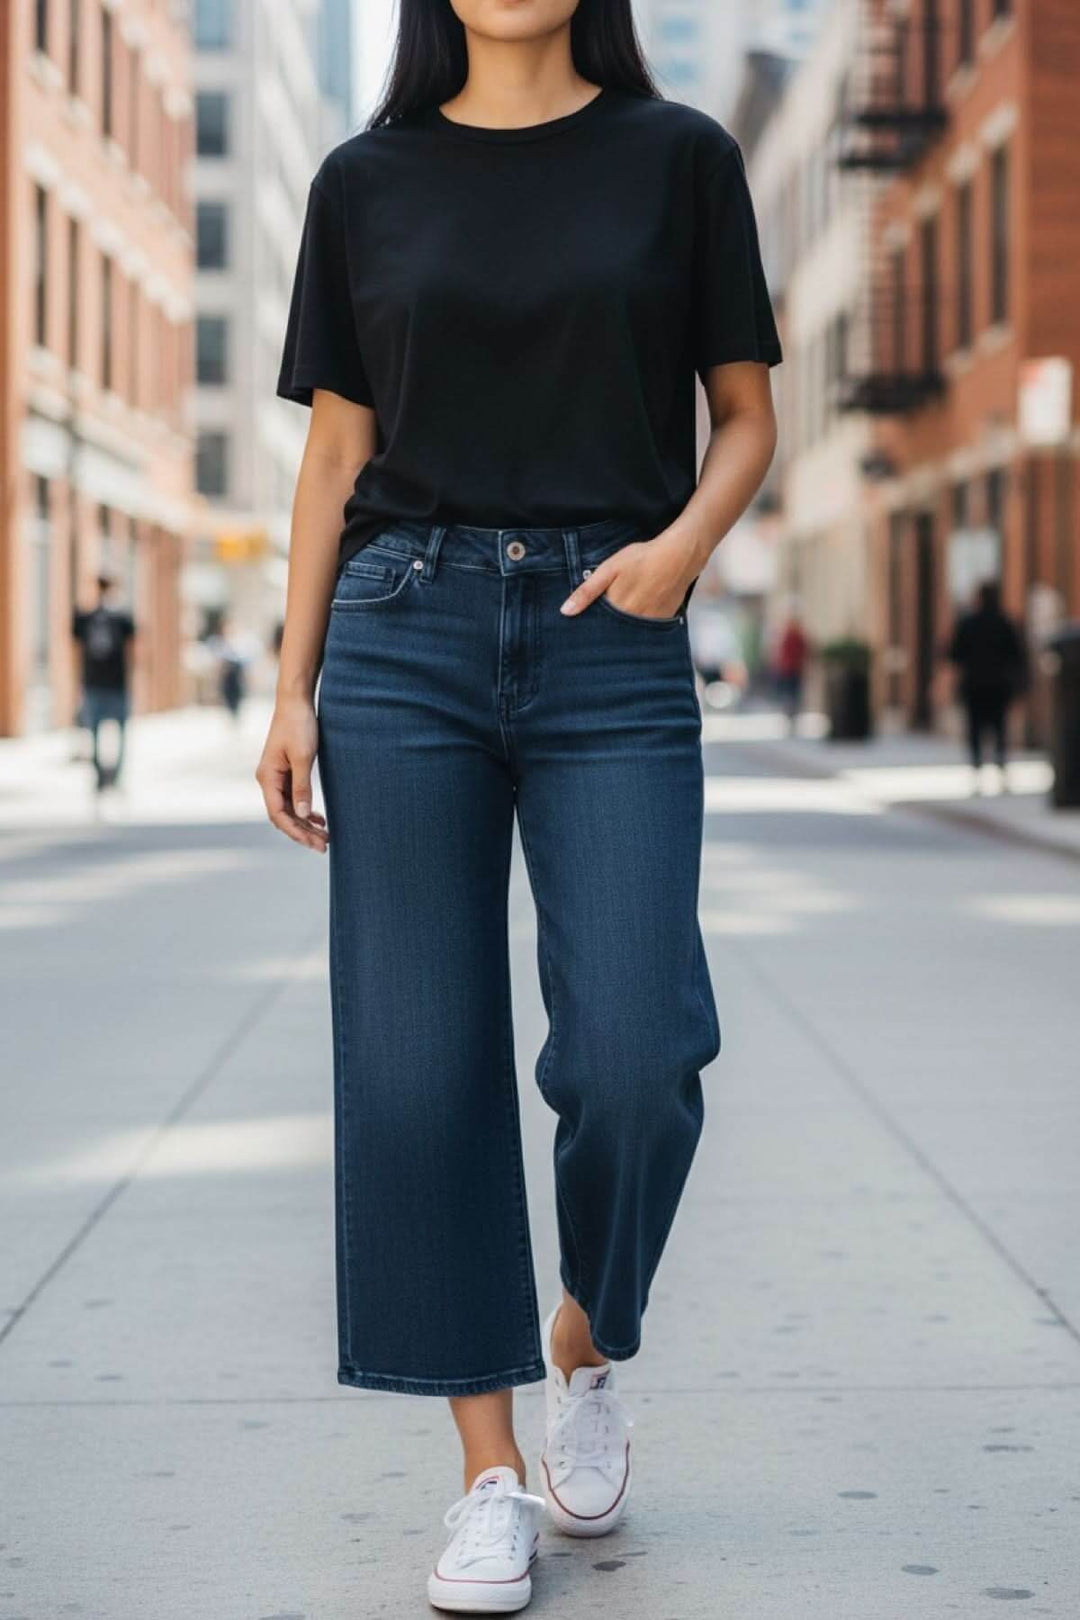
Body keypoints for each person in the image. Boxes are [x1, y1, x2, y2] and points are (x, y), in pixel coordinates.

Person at [257, 2, 780, 1610]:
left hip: (609, 630)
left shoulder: (679, 158)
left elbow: (746, 416)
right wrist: (292, 683)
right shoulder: (366, 177)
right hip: (400, 632)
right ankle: (487, 1474)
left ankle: (585, 1337)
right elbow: (337, 453)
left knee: (634, 1056)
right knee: (419, 1074)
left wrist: (680, 553)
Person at [947, 580, 1028, 788]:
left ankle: (977, 765)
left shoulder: (968, 622)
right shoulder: (1005, 622)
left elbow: (954, 654)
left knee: (974, 726)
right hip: (999, 684)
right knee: (999, 725)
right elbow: (1017, 656)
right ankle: (1000, 762)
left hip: (974, 683)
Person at [72, 575, 135, 791]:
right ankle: (106, 776)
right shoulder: (100, 617)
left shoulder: (117, 618)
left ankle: (109, 776)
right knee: (104, 732)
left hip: (107, 682)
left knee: (105, 732)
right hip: (104, 683)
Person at [773, 610, 809, 729]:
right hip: (788, 669)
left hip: (794, 668)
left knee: (793, 693)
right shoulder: (789, 636)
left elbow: (804, 651)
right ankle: (790, 714)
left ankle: (792, 715)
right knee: (790, 693)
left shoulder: (795, 637)